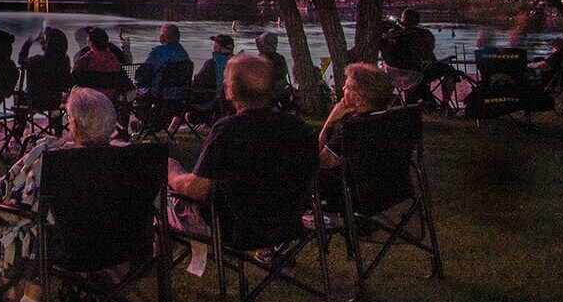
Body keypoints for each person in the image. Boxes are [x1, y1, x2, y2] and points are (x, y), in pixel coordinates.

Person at [0, 86, 119, 302]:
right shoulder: (125, 159)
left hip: (59, 246)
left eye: (68, 118)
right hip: (109, 243)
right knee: (47, 228)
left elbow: (21, 202)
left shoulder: (55, 158)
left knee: (9, 228)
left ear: (76, 123)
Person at [167, 53, 316, 237]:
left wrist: (172, 172)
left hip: (232, 228)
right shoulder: (297, 128)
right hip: (286, 223)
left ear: (229, 90)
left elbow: (197, 189)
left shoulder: (227, 131)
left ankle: (150, 261)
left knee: (160, 200)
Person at [319, 61, 396, 169]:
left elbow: (321, 162)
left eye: (347, 88)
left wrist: (330, 121)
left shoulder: (355, 129)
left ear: (358, 100)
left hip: (358, 183)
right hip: (394, 181)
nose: (343, 89)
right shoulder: (394, 119)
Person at [18, 27, 71, 113]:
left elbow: (21, 60)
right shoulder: (64, 62)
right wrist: (43, 45)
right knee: (52, 95)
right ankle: (57, 124)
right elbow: (53, 56)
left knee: (18, 96)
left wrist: (28, 43)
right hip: (55, 102)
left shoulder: (35, 61)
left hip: (34, 102)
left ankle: (20, 124)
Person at [137, 24, 193, 101]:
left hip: (160, 93)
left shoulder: (158, 52)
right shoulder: (183, 53)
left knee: (138, 90)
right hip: (181, 94)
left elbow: (142, 74)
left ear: (162, 37)